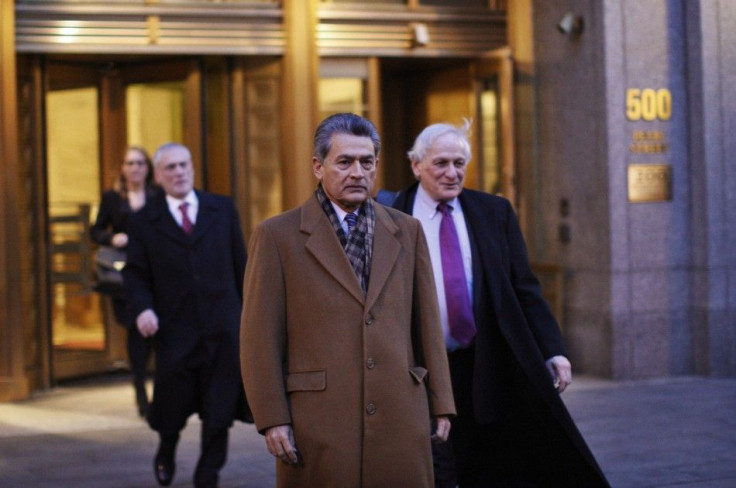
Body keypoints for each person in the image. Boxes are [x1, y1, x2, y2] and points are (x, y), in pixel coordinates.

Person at [240, 113, 456, 488]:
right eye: (345, 161)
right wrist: (272, 417)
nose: (357, 172)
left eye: (366, 161)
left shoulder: (407, 230)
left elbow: (427, 327)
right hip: (318, 421)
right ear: (317, 166)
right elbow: (259, 338)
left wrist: (441, 403)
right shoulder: (277, 236)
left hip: (399, 413)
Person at [392, 121, 610, 487]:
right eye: (441, 163)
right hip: (420, 369)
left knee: (490, 461)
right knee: (434, 464)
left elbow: (524, 287)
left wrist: (552, 349)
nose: (452, 173)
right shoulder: (390, 218)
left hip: (484, 362)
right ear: (416, 165)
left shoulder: (493, 212)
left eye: (459, 163)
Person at [123, 142, 248, 487]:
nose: (178, 172)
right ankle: (166, 447)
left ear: (192, 168)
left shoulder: (221, 209)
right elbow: (134, 274)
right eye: (170, 168)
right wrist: (143, 308)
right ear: (158, 176)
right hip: (175, 331)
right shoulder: (144, 221)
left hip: (223, 327)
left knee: (219, 409)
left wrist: (251, 316)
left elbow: (242, 264)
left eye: (184, 165)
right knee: (171, 407)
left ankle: (208, 474)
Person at [90, 145, 157, 417]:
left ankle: (160, 390)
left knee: (158, 331)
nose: (135, 168)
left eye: (140, 163)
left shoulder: (158, 195)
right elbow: (95, 230)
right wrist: (111, 238)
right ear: (122, 168)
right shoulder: (112, 198)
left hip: (156, 272)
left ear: (148, 168)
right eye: (130, 163)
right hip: (125, 273)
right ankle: (141, 392)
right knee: (136, 331)